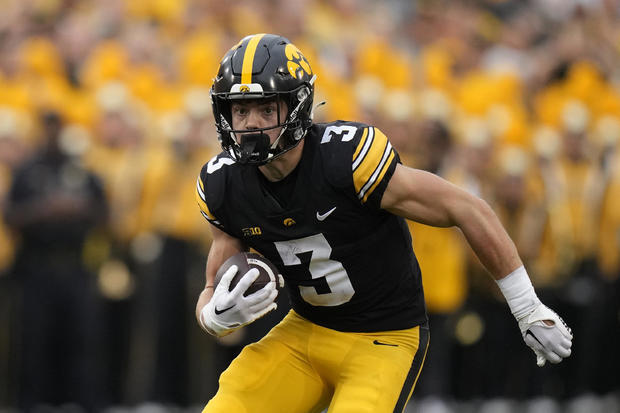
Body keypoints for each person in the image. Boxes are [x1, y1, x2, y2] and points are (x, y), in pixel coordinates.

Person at [194, 34, 573, 413]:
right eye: (239, 110)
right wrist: (214, 317)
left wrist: (526, 306)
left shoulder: (347, 161)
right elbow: (212, 286)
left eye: (265, 109)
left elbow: (467, 208)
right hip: (303, 333)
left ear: (296, 107)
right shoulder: (223, 184)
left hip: (383, 338)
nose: (249, 124)